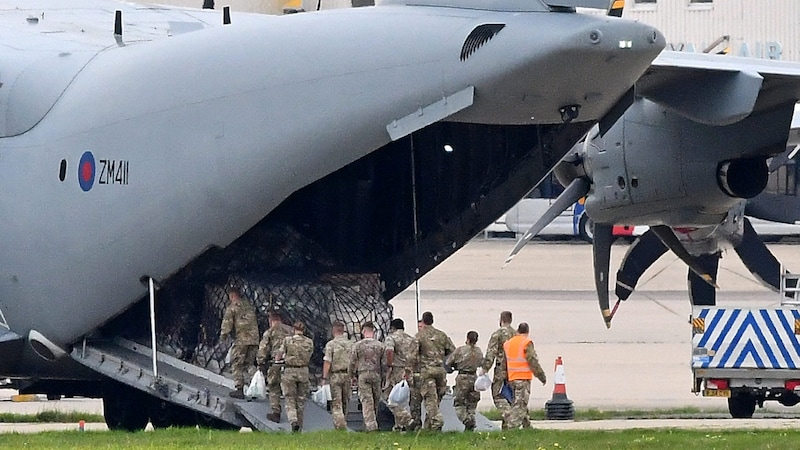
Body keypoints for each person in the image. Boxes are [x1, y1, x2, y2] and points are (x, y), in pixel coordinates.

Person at [414, 311, 455, 431]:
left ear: (423, 321)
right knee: (436, 400)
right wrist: (447, 363)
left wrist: (410, 369)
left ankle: (437, 421)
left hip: (427, 371)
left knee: (430, 400)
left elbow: (412, 355)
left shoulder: (419, 336)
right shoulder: (442, 335)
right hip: (441, 371)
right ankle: (429, 427)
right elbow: (453, 351)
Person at [502, 322, 546, 429]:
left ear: (517, 330)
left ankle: (527, 426)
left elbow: (504, 362)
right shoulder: (526, 342)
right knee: (520, 405)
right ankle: (511, 428)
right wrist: (541, 376)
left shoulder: (508, 343)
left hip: (512, 377)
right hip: (523, 377)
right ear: (527, 332)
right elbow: (532, 361)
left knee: (519, 402)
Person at [218, 285, 260, 399]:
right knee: (249, 365)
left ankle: (239, 389)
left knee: (236, 363)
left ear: (231, 296)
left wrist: (223, 337)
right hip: (254, 340)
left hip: (242, 340)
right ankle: (256, 387)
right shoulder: (248, 305)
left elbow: (227, 325)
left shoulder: (232, 308)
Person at [348, 321, 386, 432]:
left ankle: (370, 425)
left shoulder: (357, 346)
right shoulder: (380, 346)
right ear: (373, 332)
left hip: (363, 374)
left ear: (364, 331)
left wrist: (351, 376)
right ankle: (371, 423)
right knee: (375, 400)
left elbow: (352, 362)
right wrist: (384, 377)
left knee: (366, 400)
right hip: (376, 374)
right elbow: (384, 364)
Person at [256, 311, 294, 422]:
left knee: (274, 387)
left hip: (276, 363)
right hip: (291, 364)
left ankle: (276, 412)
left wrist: (260, 362)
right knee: (290, 390)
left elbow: (263, 349)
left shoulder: (270, 332)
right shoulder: (291, 331)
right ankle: (293, 415)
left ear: (271, 320)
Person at [277, 321, 314, 432]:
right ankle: (299, 427)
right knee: (301, 400)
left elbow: (279, 354)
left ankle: (293, 420)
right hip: (303, 371)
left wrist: (278, 359)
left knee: (290, 398)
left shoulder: (288, 340)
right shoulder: (309, 342)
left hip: (290, 371)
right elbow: (310, 354)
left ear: (294, 329)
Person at [481, 310, 515, 428]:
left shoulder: (498, 334)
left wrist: (484, 369)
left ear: (501, 320)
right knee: (510, 397)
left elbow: (491, 353)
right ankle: (507, 428)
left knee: (498, 396)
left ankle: (510, 419)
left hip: (502, 370)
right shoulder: (516, 334)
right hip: (515, 371)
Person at [445, 330, 483, 431]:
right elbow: (482, 363)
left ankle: (466, 420)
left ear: (467, 339)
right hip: (474, 378)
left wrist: (455, 366)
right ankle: (471, 424)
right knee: (472, 405)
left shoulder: (461, 350)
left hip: (462, 378)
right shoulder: (479, 351)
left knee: (459, 404)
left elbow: (448, 362)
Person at [383, 318, 415, 431]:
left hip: (397, 370)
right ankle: (400, 426)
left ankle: (406, 419)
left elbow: (389, 351)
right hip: (410, 371)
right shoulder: (411, 339)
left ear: (393, 328)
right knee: (407, 399)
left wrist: (389, 364)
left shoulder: (391, 338)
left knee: (391, 399)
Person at [321, 321, 353, 430]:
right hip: (348, 375)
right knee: (345, 401)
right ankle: (344, 420)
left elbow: (327, 362)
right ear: (343, 330)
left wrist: (324, 378)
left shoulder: (331, 344)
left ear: (333, 330)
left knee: (337, 402)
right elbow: (355, 362)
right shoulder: (351, 344)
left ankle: (340, 425)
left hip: (335, 376)